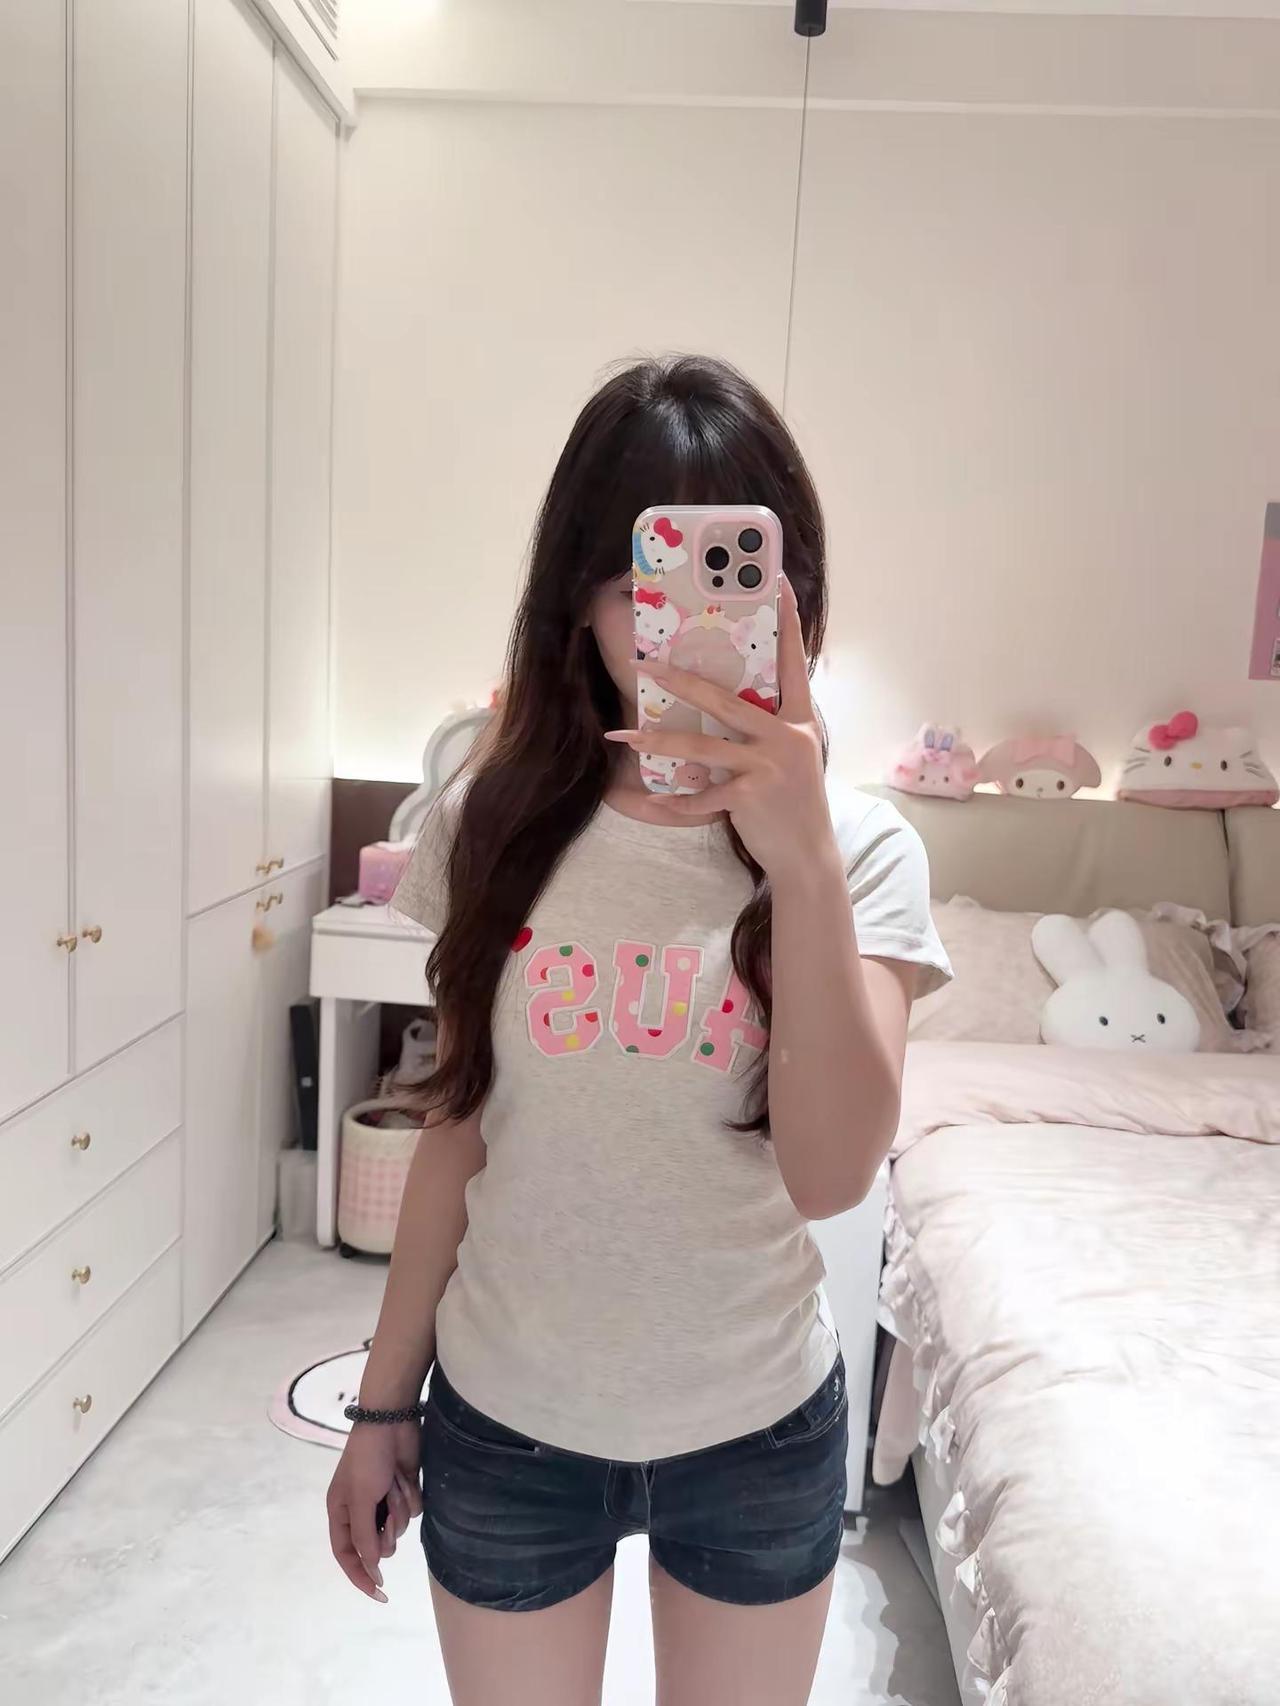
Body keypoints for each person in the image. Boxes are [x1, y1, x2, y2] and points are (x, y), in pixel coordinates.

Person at [325, 354, 951, 1705]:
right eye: (644, 581)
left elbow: (833, 1175)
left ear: (795, 597)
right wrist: (381, 1402)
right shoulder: (490, 826)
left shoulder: (864, 852)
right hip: (508, 1421)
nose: (684, 625)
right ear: (580, 600)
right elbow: (455, 1127)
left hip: (756, 1430)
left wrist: (800, 861)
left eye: (735, 579)